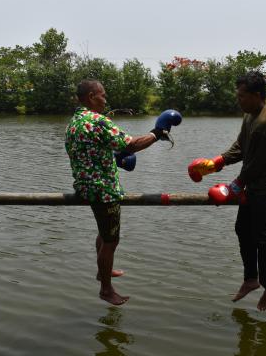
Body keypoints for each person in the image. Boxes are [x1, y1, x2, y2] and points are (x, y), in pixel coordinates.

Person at [65, 79, 181, 305]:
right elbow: (132, 144)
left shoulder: (74, 122)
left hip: (85, 186)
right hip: (103, 191)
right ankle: (106, 290)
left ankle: (103, 273)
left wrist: (112, 158)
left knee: (104, 231)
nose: (105, 99)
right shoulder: (96, 121)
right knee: (111, 240)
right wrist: (157, 132)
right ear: (91, 96)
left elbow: (88, 152)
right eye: (103, 95)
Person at [188, 71, 266, 311]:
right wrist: (216, 163)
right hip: (255, 182)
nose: (239, 100)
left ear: (257, 95)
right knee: (242, 228)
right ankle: (250, 279)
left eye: (242, 96)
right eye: (238, 95)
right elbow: (241, 146)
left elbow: (254, 164)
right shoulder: (250, 115)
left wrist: (233, 187)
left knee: (261, 235)